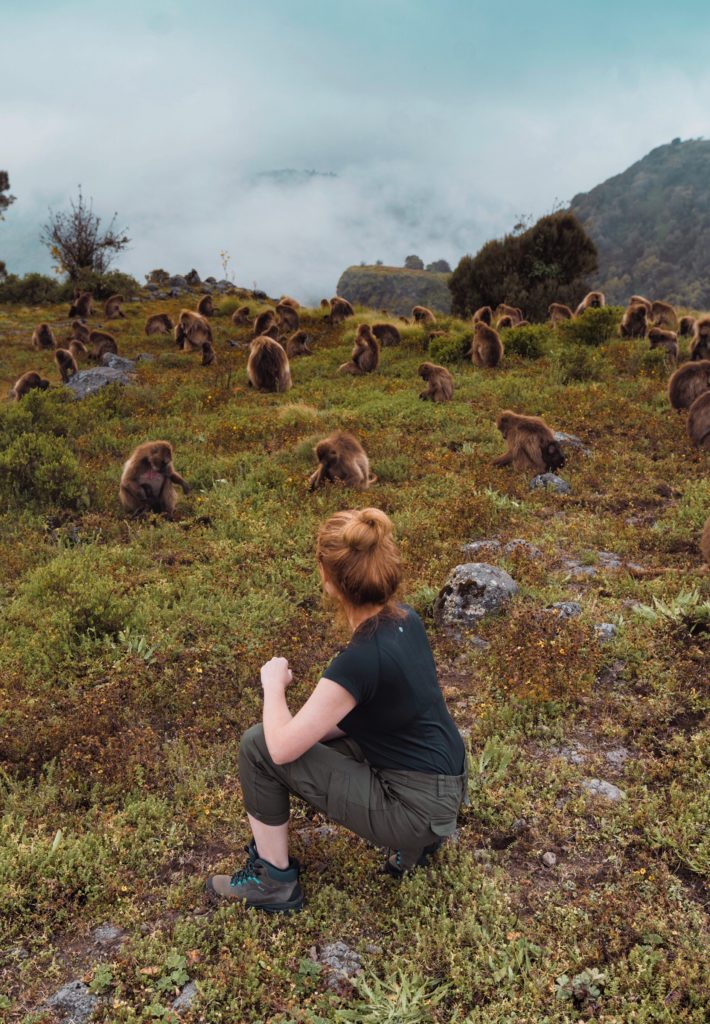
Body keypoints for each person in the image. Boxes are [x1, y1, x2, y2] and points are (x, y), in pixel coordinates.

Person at [206, 507, 467, 913]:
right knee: (309, 737)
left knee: (257, 746)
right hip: (443, 787)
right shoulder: (407, 621)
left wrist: (273, 686)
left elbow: (280, 751)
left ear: (329, 580)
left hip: (416, 809)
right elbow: (366, 717)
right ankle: (420, 844)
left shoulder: (360, 660)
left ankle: (274, 881)